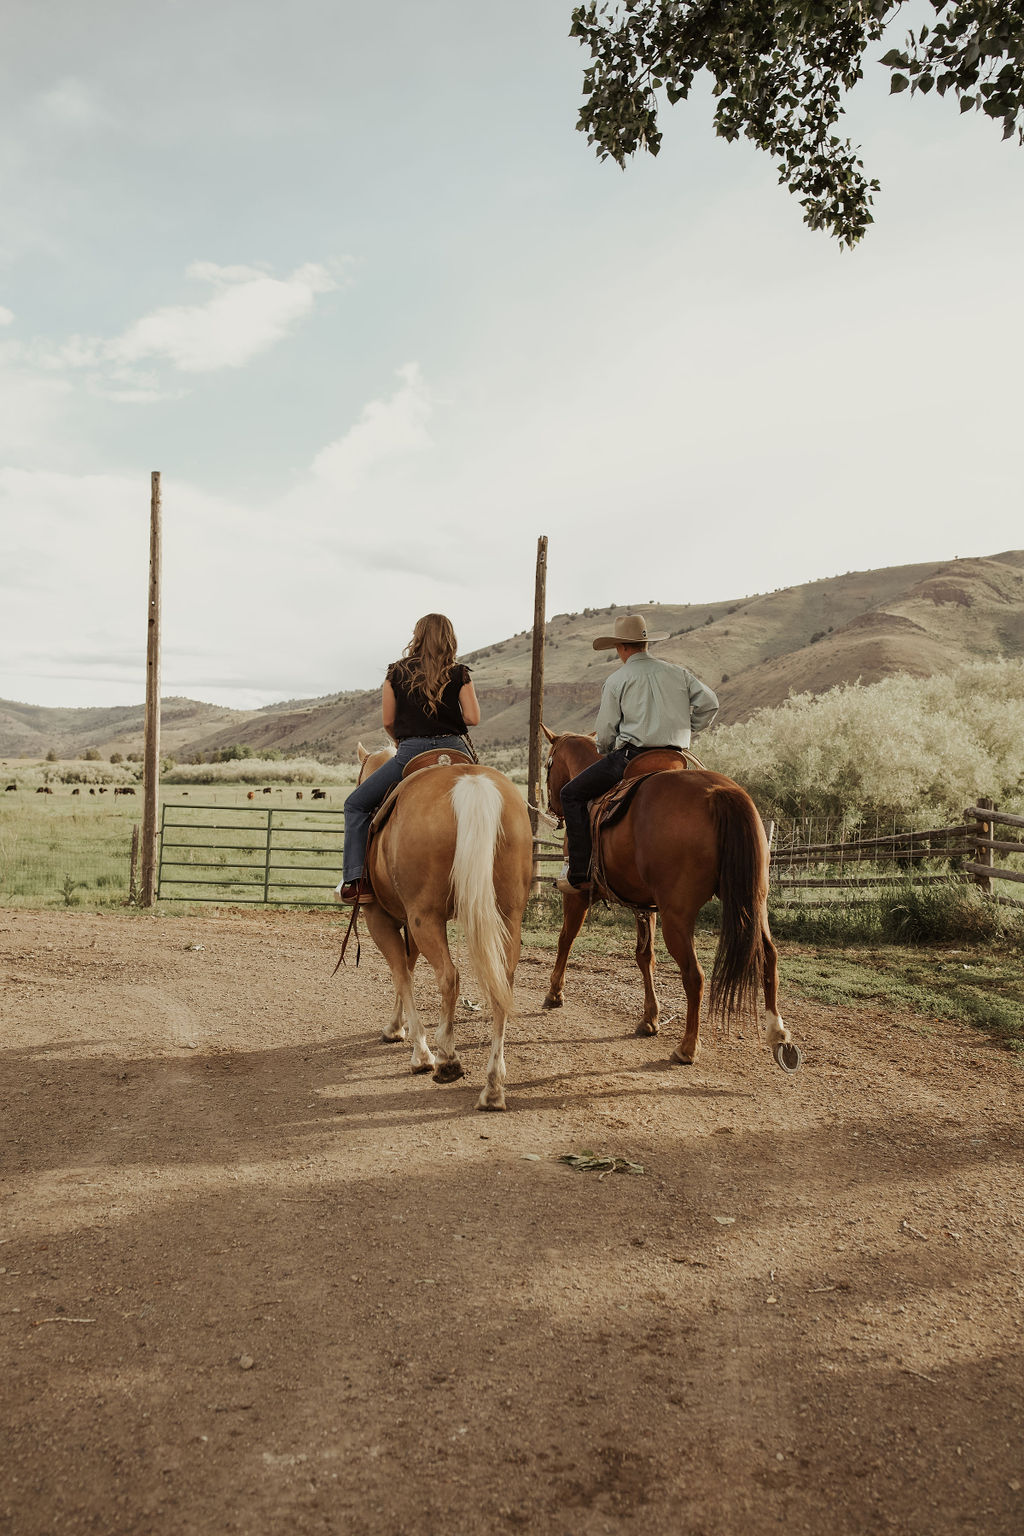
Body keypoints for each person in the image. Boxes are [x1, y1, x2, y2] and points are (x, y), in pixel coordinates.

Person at [556, 613, 719, 898]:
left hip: (631, 758)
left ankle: (579, 873)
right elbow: (711, 703)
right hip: (675, 758)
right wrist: (687, 727)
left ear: (621, 647)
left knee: (571, 794)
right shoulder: (677, 673)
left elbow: (605, 732)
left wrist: (607, 750)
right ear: (645, 644)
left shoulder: (618, 680)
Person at [336, 613, 481, 903]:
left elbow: (388, 720)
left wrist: (400, 738)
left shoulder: (395, 673)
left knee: (355, 804)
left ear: (417, 636)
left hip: (413, 752)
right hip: (456, 750)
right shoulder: (460, 672)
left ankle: (357, 881)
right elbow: (473, 718)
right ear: (449, 638)